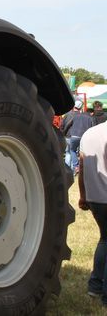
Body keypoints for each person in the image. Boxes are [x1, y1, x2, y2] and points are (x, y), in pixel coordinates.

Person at [78, 119, 107, 307]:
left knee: (105, 239)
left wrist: (83, 195)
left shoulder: (89, 133)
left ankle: (95, 286)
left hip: (94, 197)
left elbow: (81, 168)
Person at [63, 99, 94, 175]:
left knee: (72, 151)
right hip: (84, 137)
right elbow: (92, 128)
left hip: (73, 136)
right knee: (82, 152)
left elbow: (67, 125)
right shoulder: (90, 118)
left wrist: (63, 133)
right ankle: (83, 167)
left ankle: (76, 166)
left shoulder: (75, 116)